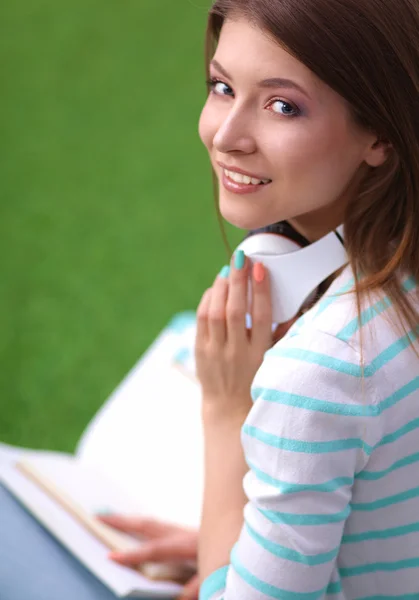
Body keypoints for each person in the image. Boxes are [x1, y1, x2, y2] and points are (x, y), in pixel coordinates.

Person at [99, 0, 419, 597]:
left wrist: (228, 411)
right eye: (221, 87)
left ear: (380, 134)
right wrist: (245, 545)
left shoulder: (322, 370)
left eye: (281, 105)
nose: (224, 136)